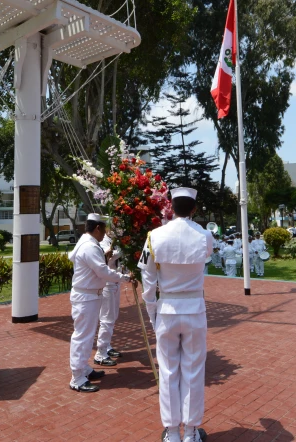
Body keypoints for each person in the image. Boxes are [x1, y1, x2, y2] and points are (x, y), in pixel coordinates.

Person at [139, 187, 213, 442]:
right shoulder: (206, 236)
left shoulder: (153, 236)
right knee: (193, 370)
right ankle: (191, 433)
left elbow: (147, 281)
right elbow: (206, 257)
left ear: (170, 207)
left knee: (168, 371)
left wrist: (152, 313)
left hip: (167, 310)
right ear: (193, 208)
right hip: (194, 309)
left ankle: (171, 433)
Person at [68, 214, 133, 393]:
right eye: (104, 229)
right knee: (82, 337)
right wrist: (125, 278)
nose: (105, 234)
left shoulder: (87, 242)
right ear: (97, 228)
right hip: (86, 297)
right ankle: (77, 378)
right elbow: (103, 271)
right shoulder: (89, 246)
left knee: (87, 336)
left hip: (90, 296)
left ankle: (84, 368)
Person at [95, 231, 123, 366]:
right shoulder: (102, 242)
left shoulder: (118, 240)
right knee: (106, 318)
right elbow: (107, 257)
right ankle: (100, 353)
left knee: (113, 316)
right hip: (107, 283)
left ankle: (107, 345)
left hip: (116, 281)